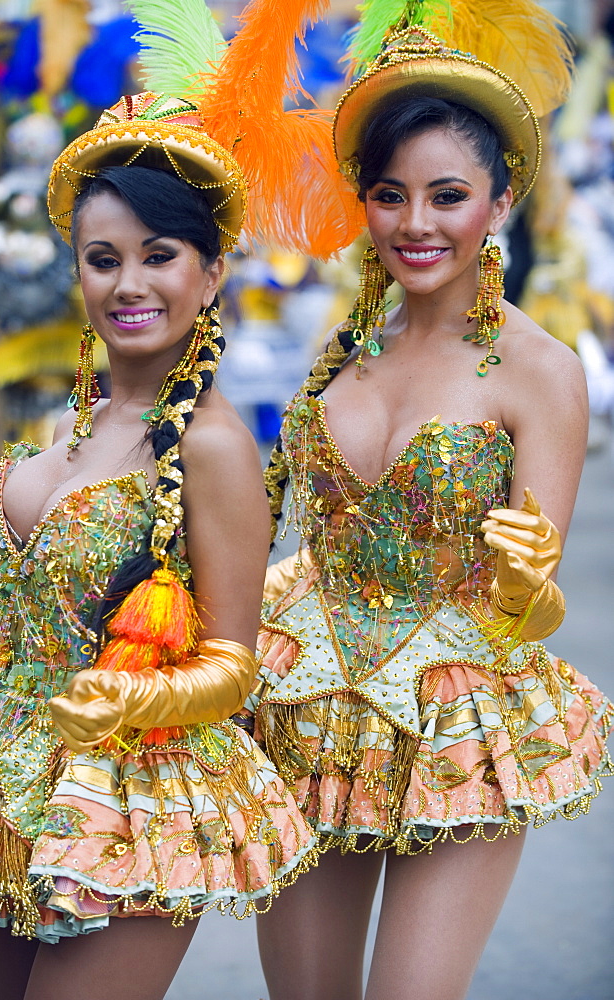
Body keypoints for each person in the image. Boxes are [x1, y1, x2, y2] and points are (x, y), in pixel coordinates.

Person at [248, 17, 614, 1000]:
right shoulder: (342, 354)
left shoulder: (539, 371)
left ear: (498, 201)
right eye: (389, 194)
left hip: (456, 717)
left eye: (447, 195)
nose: (416, 222)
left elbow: (522, 614)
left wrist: (524, 583)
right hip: (309, 714)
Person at [0, 92, 318, 1000]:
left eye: (160, 256)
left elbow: (233, 664)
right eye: (103, 260)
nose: (129, 285)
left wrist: (123, 696)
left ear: (211, 271)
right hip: (18, 771)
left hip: (135, 798)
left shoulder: (212, 447)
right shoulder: (81, 422)